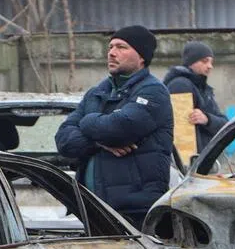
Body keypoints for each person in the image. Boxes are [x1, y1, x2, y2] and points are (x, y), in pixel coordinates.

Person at [55, 26, 174, 227]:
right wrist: (98, 142)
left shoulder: (154, 92)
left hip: (134, 212)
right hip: (91, 209)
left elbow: (118, 130)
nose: (112, 52)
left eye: (121, 47)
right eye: (110, 47)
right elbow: (64, 141)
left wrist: (87, 122)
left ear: (142, 56)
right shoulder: (97, 92)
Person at [163, 41, 228, 155]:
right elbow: (181, 137)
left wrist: (207, 119)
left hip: (203, 160)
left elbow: (225, 125)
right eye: (204, 61)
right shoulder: (181, 85)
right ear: (191, 62)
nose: (210, 66)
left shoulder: (203, 88)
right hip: (192, 162)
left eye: (211, 62)